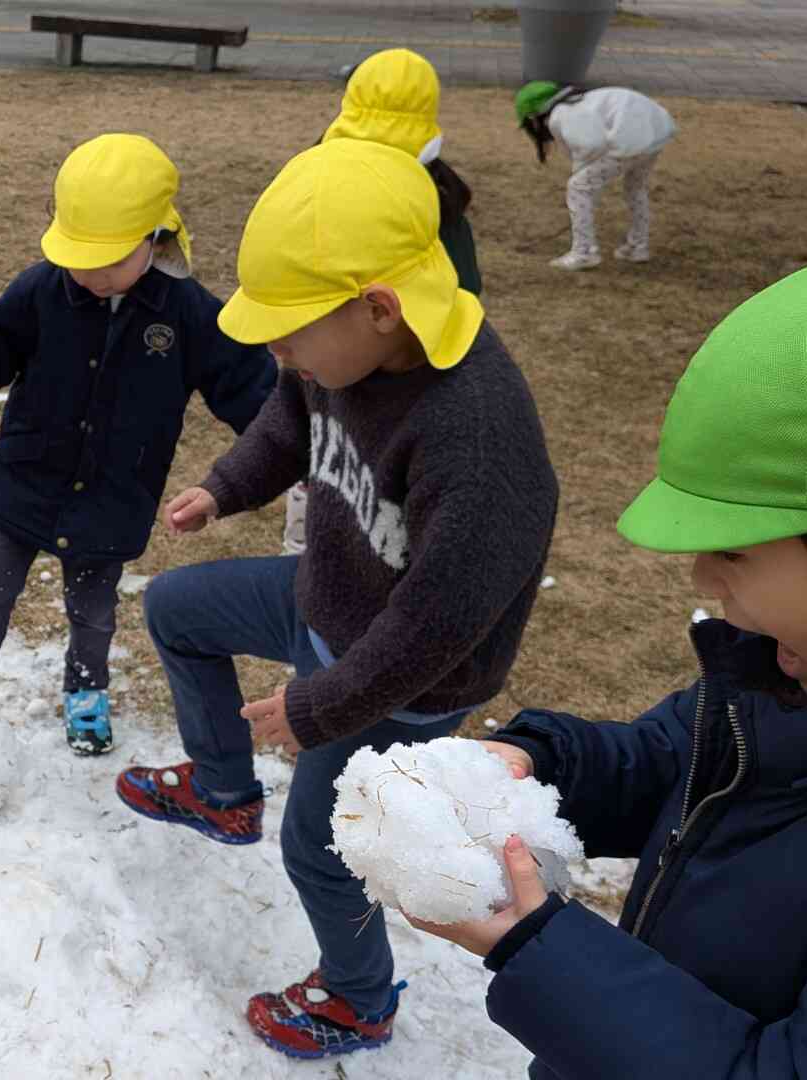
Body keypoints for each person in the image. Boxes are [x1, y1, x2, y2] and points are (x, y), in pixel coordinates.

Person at [413, 243, 807, 1078]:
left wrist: (542, 952)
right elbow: (682, 759)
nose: (704, 583)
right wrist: (539, 763)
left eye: (737, 552)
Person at [115, 138, 557, 1060]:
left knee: (321, 846)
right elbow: (291, 415)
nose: (278, 351)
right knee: (177, 609)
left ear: (381, 308)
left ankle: (358, 999)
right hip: (323, 597)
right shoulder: (338, 359)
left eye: (291, 333)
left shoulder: (477, 439)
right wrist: (226, 487)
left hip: (402, 680)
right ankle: (223, 790)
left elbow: (433, 628)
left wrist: (318, 707)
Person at [0, 133, 276, 756]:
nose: (90, 275)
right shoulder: (43, 288)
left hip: (114, 495)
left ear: (155, 241)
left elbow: (245, 384)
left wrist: (289, 438)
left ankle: (86, 689)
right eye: (80, 259)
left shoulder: (186, 312)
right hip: (29, 480)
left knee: (93, 610)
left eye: (108, 261)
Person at [287, 46, 487, 555]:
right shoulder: (322, 183)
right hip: (326, 386)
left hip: (392, 399)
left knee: (372, 509)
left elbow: (461, 294)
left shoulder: (437, 207)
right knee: (320, 490)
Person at [515, 81, 675, 271]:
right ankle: (638, 247)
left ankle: (584, 253)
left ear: (534, 117)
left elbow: (592, 145)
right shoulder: (582, 101)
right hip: (655, 131)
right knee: (635, 187)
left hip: (630, 139)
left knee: (579, 187)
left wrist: (582, 171)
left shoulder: (561, 115)